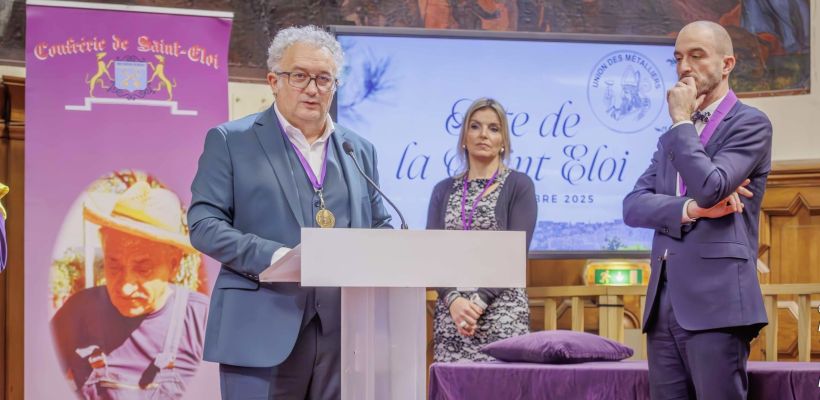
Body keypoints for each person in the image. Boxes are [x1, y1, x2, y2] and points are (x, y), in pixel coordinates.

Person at [188, 25, 392, 399]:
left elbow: (379, 224)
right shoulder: (231, 141)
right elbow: (204, 224)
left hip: (343, 336)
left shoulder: (358, 150)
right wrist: (277, 257)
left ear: (334, 86)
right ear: (274, 81)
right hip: (259, 328)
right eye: (299, 76)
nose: (312, 89)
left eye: (323, 79)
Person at [623, 21, 772, 400]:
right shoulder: (673, 138)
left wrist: (681, 122)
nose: (684, 67)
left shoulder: (750, 123)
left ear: (727, 64)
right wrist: (691, 208)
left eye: (696, 55)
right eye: (678, 58)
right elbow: (633, 206)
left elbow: (710, 187)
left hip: (718, 303)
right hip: (663, 305)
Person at [52, 181, 208, 399]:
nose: (125, 288)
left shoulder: (202, 320)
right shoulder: (77, 312)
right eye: (113, 265)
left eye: (143, 269)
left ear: (174, 265)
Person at [426, 98, 537, 362]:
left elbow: (514, 255)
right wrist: (454, 302)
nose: (484, 134)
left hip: (502, 314)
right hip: (453, 317)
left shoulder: (519, 185)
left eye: (493, 128)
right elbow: (431, 255)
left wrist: (477, 304)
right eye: (475, 126)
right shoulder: (443, 189)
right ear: (464, 137)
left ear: (503, 141)